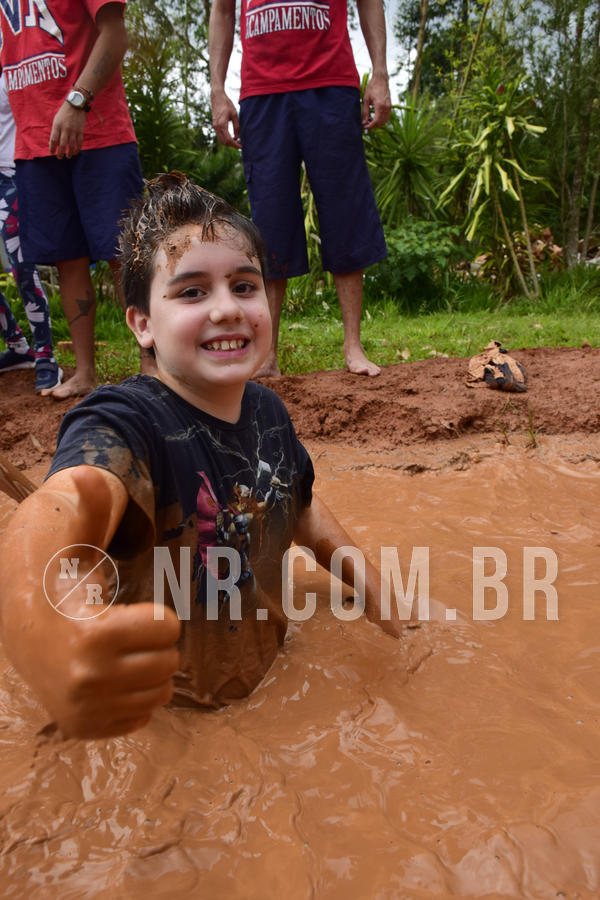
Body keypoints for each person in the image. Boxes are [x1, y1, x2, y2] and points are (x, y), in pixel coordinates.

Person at [0, 173, 403, 740]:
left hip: (268, 679)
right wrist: (44, 632)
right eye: (191, 292)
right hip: (162, 718)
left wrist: (369, 584)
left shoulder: (268, 412)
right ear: (142, 323)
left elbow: (303, 507)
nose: (226, 309)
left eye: (244, 285)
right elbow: (57, 510)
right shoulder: (124, 421)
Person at [209, 0, 391, 377]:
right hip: (262, 92)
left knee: (344, 209)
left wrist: (381, 74)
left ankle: (353, 346)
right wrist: (217, 89)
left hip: (331, 85)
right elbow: (223, 10)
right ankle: (268, 354)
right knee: (270, 220)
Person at [0, 0, 143, 399]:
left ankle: (154, 369)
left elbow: (115, 34)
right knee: (67, 258)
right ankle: (84, 373)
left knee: (124, 252)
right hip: (33, 142)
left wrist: (79, 99)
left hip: (98, 130)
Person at [0, 76, 62, 392]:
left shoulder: (8, 55)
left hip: (10, 176)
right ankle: (17, 347)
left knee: (21, 265)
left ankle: (45, 356)